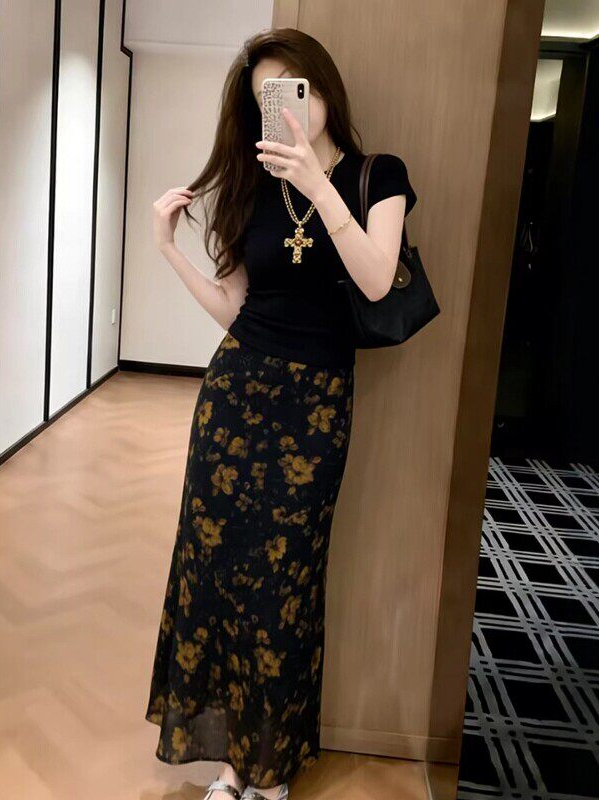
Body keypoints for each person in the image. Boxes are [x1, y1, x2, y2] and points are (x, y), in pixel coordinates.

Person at [145, 27, 417, 800]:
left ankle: (271, 765)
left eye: (295, 85)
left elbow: (376, 281)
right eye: (269, 93)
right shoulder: (253, 187)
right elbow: (235, 309)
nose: (287, 104)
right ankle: (234, 765)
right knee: (217, 576)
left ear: (323, 87)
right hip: (234, 395)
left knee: (283, 584)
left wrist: (318, 184)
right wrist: (170, 251)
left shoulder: (378, 175)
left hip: (316, 404)